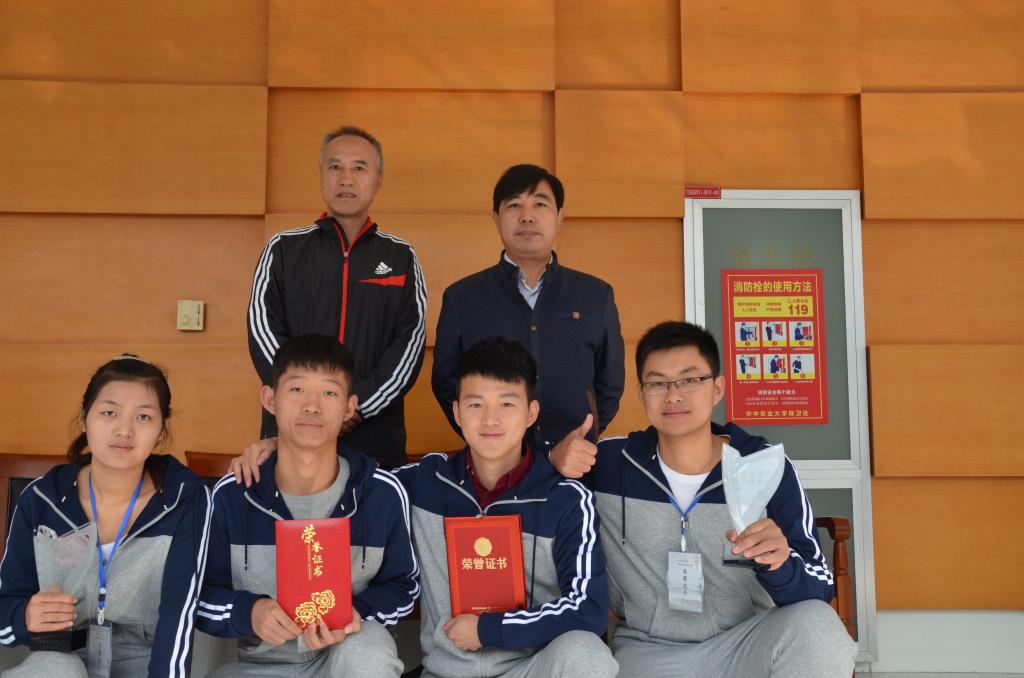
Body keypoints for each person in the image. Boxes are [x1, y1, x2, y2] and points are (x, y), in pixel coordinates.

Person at [232, 337, 617, 678]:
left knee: (588, 654)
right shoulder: (423, 483)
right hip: (446, 671)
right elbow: (344, 474)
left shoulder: (565, 498)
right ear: (457, 412)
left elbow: (588, 608)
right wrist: (281, 446)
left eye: (507, 404)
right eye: (476, 404)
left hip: (531, 668)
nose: (491, 419)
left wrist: (488, 630)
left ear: (531, 413)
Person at [550, 322, 857, 677]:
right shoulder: (608, 463)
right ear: (641, 393)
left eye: (690, 380)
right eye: (658, 383)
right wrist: (553, 461)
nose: (673, 395)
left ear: (717, 388)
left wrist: (781, 564)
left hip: (746, 645)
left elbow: (820, 584)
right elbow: (527, 497)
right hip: (648, 654)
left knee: (819, 624)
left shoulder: (762, 466)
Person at [198, 335, 416, 677]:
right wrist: (250, 611)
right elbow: (199, 595)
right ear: (270, 399)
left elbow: (404, 586)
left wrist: (357, 612)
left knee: (370, 652)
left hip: (344, 657)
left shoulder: (381, 493)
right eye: (297, 389)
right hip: (261, 668)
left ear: (349, 407)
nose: (312, 406)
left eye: (329, 392)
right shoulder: (233, 494)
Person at [0, 355, 211, 678]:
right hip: (58, 661)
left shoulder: (184, 500)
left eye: (143, 417)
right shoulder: (43, 499)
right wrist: (24, 615)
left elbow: (178, 614)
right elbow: (6, 606)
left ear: (161, 430)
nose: (124, 430)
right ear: (84, 419)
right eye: (109, 412)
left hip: (146, 665)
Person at [247, 125, 426, 469]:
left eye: (359, 168)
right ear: (321, 175)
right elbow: (263, 334)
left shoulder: (401, 256)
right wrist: (309, 402)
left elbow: (410, 344)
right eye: (335, 167)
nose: (346, 178)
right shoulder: (283, 249)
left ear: (378, 180)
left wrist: (355, 405)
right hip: (295, 430)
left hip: (375, 438)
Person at [431, 164, 624, 454]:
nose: (527, 216)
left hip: (575, 461)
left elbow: (610, 382)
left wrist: (584, 436)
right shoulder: (462, 298)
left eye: (540, 204)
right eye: (514, 205)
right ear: (496, 218)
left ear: (560, 216)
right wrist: (488, 440)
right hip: (495, 465)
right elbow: (446, 383)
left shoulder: (596, 295)